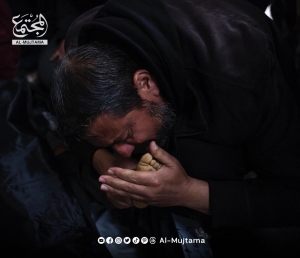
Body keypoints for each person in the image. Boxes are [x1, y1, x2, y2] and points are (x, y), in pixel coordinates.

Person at [51, 0, 300, 257]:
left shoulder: (241, 67)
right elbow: (74, 135)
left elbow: (292, 194)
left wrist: (189, 193)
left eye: (126, 135)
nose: (124, 152)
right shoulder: (81, 53)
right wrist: (102, 160)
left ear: (145, 83)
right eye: (109, 143)